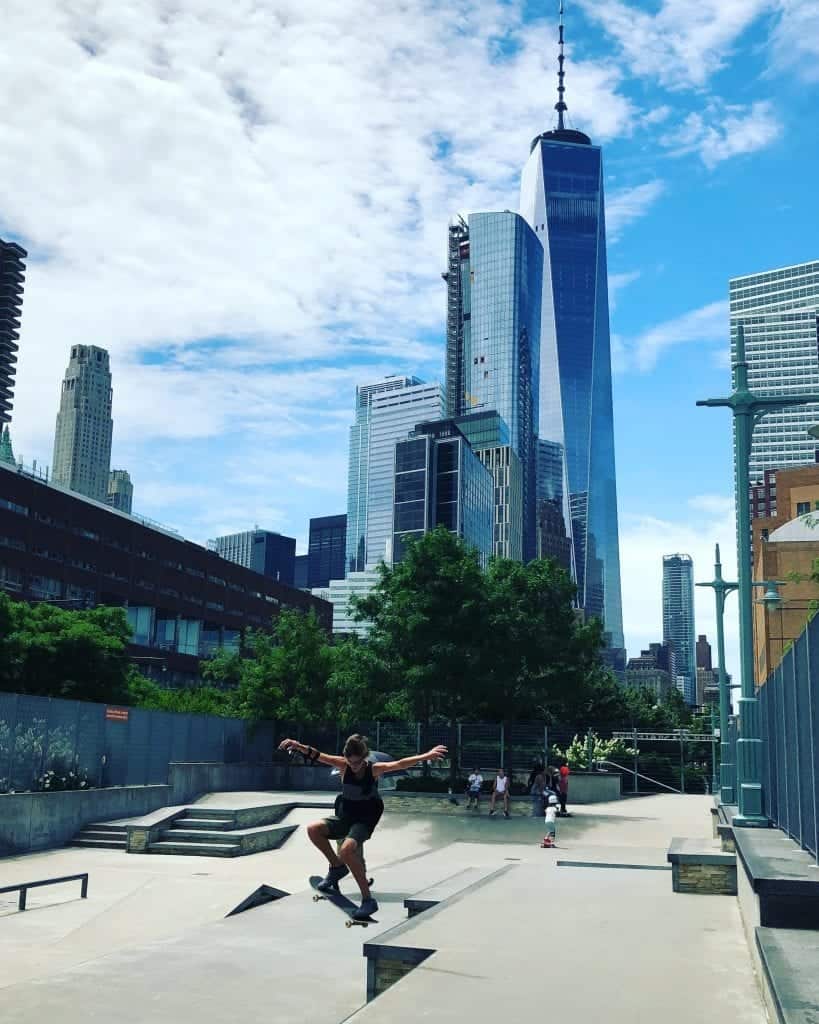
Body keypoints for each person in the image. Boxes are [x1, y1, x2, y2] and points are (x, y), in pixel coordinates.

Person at [279, 733, 447, 920]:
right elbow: (317, 755)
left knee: (347, 850)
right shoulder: (343, 765)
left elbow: (401, 763)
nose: (354, 766)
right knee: (313, 829)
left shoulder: (374, 769)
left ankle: (368, 900)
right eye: (351, 763)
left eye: (358, 763)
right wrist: (297, 744)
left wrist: (426, 755)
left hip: (365, 819)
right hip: (345, 816)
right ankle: (337, 868)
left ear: (364, 758)